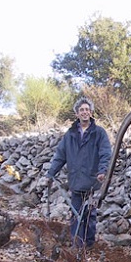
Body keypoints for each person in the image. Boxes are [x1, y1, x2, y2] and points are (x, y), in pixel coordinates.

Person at [46, 97, 112, 249]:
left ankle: (88, 244)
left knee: (89, 215)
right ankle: (77, 245)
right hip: (75, 181)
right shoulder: (70, 135)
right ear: (76, 114)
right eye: (81, 110)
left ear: (91, 112)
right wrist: (50, 173)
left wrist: (102, 171)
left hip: (92, 182)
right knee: (76, 214)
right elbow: (60, 155)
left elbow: (105, 153)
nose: (84, 112)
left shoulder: (99, 133)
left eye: (87, 109)